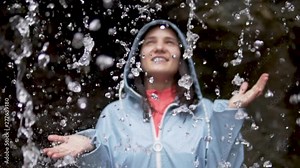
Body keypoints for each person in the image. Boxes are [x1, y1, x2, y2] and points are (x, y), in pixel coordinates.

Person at [43, 19, 269, 167]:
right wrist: (89, 149)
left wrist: (228, 115)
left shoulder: (208, 113)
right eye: (150, 42)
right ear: (138, 56)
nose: (159, 47)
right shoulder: (114, 114)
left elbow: (224, 164)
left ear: (181, 56)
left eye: (169, 42)